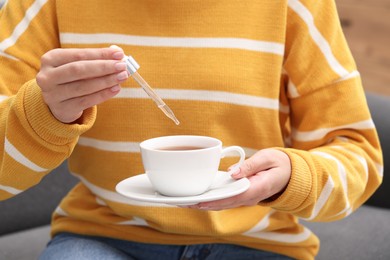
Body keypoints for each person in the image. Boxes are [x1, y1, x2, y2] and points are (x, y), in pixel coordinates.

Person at [0, 0, 383, 259]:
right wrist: (43, 113)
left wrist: (292, 179)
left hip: (259, 245)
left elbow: (358, 155)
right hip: (102, 237)